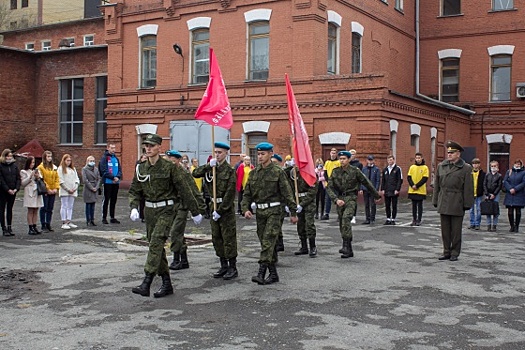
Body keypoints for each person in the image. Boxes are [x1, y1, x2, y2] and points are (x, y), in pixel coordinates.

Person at [129, 134, 204, 298]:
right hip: (149, 212)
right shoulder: (141, 168)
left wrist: (196, 211)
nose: (148, 148)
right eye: (146, 146)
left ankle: (146, 281)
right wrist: (134, 207)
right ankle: (166, 283)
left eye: (151, 145)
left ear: (159, 148)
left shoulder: (170, 167)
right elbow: (135, 190)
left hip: (166, 210)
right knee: (156, 248)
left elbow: (185, 189)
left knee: (156, 242)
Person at [241, 142, 298, 285]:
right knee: (266, 243)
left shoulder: (278, 172)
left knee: (268, 241)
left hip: (275, 211)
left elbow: (287, 193)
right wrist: (245, 209)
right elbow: (247, 194)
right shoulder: (254, 173)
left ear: (270, 154)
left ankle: (261, 273)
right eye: (258, 154)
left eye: (263, 154)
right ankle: (273, 274)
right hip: (260, 212)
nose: (260, 157)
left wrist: (293, 212)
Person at [193, 142, 239, 280]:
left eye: (220, 153)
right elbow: (195, 173)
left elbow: (230, 194)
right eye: (216, 152)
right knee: (216, 238)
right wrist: (208, 165)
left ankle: (232, 267)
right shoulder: (210, 168)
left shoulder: (230, 171)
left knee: (228, 238)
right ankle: (223, 265)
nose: (217, 155)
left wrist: (221, 210)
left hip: (225, 209)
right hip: (213, 206)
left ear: (226, 154)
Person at [326, 151, 380, 258]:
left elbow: (366, 182)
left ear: (349, 159)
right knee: (342, 222)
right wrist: (336, 199)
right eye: (340, 159)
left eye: (344, 159)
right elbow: (329, 187)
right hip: (340, 198)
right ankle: (348, 248)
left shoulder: (355, 171)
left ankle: (345, 245)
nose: (342, 161)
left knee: (346, 219)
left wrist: (376, 195)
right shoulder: (335, 171)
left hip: (351, 198)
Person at [432, 141, 474, 262]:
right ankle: (446, 251)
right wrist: (435, 200)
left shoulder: (466, 168)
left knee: (456, 231)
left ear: (458, 154)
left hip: (457, 201)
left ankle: (455, 252)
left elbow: (468, 188)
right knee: (445, 230)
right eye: (448, 152)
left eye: (452, 152)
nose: (449, 154)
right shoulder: (442, 166)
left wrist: (467, 204)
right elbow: (437, 185)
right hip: (444, 200)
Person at [165, 150, 205, 271]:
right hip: (171, 206)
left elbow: (193, 190)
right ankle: (184, 260)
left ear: (178, 161)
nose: (170, 163)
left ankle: (176, 259)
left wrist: (200, 209)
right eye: (168, 161)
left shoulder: (183, 173)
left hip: (182, 206)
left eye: (173, 161)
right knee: (178, 234)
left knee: (175, 231)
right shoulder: (168, 173)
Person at [284, 164, 318, 257]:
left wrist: (302, 204)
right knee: (300, 225)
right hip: (297, 201)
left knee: (309, 224)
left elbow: (312, 192)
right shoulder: (292, 173)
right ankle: (304, 247)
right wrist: (290, 203)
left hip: (308, 202)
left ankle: (312, 247)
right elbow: (287, 186)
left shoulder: (310, 173)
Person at [99, 144, 122, 224]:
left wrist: (118, 177)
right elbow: (103, 170)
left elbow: (119, 169)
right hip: (107, 182)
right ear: (108, 148)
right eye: (112, 148)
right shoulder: (104, 158)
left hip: (116, 183)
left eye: (114, 148)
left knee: (113, 200)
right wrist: (112, 177)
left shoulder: (115, 158)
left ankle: (112, 217)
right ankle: (104, 217)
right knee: (106, 200)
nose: (113, 149)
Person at [20, 156, 44, 235]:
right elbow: (23, 183)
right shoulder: (24, 171)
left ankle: (34, 225)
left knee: (36, 210)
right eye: (31, 163)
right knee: (30, 210)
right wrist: (30, 177)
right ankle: (30, 227)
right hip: (30, 192)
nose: (32, 164)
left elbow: (41, 180)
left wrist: (38, 177)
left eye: (33, 162)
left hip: (36, 191)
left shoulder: (37, 171)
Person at [37, 150, 59, 233]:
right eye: (48, 156)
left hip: (53, 190)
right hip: (45, 190)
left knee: (50, 208)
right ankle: (43, 224)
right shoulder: (40, 167)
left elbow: (57, 178)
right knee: (44, 208)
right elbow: (42, 180)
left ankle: (48, 223)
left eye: (50, 156)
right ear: (44, 157)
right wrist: (48, 189)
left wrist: (56, 188)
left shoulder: (54, 167)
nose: (50, 158)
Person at [0, 149, 21, 236]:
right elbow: (1, 180)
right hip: (3, 191)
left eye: (10, 156)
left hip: (13, 190)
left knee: (10, 209)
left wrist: (16, 188)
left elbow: (18, 178)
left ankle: (9, 227)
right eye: (7, 156)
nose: (9, 158)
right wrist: (7, 189)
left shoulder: (14, 166)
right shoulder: (1, 166)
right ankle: (3, 228)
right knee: (2, 210)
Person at [58, 154, 80, 230]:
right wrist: (67, 189)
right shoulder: (60, 169)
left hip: (73, 190)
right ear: (64, 161)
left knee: (70, 206)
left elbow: (77, 179)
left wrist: (75, 188)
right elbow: (60, 180)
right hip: (65, 190)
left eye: (70, 160)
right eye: (67, 160)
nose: (69, 162)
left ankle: (69, 220)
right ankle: (64, 221)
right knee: (64, 205)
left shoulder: (73, 169)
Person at [503, 159, 525, 233]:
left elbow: (523, 183)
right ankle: (512, 226)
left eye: (519, 164)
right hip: (510, 193)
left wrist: (515, 189)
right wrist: (509, 189)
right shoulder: (509, 172)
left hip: (519, 193)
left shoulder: (523, 172)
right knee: (510, 211)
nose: (517, 165)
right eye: (516, 164)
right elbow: (505, 181)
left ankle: (517, 226)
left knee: (518, 211)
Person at [407, 153, 429, 226]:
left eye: (419, 158)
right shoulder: (412, 167)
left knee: (419, 205)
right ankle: (414, 219)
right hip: (412, 190)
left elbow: (425, 178)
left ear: (422, 158)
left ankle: (419, 219)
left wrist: (417, 185)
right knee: (413, 205)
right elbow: (409, 177)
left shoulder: (425, 167)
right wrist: (412, 185)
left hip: (420, 190)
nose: (418, 159)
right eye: (416, 158)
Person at [381, 155, 403, 225]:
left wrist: (397, 189)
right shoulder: (385, 170)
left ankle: (393, 219)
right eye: (388, 160)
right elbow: (383, 180)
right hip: (387, 190)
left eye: (391, 160)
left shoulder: (397, 169)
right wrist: (382, 189)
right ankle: (388, 218)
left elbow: (400, 180)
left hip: (394, 190)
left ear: (393, 160)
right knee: (387, 205)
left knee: (394, 205)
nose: (390, 161)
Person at [359, 155, 381, 224]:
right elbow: (362, 179)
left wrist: (376, 189)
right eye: (369, 160)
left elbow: (378, 180)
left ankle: (372, 218)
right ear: (367, 160)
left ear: (373, 160)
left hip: (372, 189)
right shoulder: (364, 169)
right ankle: (367, 218)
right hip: (365, 189)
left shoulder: (376, 169)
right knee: (366, 205)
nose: (370, 161)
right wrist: (361, 188)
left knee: (373, 204)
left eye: (371, 160)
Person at [483, 160, 503, 232]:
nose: (493, 167)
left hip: (496, 195)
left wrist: (494, 194)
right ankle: (488, 225)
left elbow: (499, 186)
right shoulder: (487, 175)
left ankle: (494, 225)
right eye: (492, 166)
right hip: (488, 194)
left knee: (495, 210)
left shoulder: (499, 176)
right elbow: (484, 184)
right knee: (488, 210)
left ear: (497, 167)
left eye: (495, 166)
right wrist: (487, 194)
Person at [82, 155, 101, 227]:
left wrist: (96, 187)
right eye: (91, 161)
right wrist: (91, 187)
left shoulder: (96, 169)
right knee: (88, 205)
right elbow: (85, 180)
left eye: (93, 161)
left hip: (95, 187)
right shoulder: (84, 169)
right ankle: (88, 220)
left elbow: (99, 178)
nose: (92, 162)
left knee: (93, 205)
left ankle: (92, 219)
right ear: (87, 161)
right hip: (88, 188)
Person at [322, 148, 340, 220]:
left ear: (336, 154)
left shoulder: (338, 162)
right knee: (328, 199)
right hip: (329, 184)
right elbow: (325, 173)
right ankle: (326, 214)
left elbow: (339, 173)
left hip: (336, 184)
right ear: (330, 153)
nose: (333, 154)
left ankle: (339, 214)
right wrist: (328, 181)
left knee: (338, 199)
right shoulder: (327, 162)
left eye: (334, 153)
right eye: (332, 153)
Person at [468, 158, 486, 230]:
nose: (475, 165)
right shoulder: (470, 173)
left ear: (479, 164)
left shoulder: (483, 174)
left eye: (477, 163)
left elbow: (484, 184)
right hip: (471, 194)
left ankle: (477, 224)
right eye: (474, 164)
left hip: (479, 194)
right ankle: (472, 223)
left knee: (479, 209)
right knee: (471, 210)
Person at [349, 149, 363, 224]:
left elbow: (360, 177)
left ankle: (354, 216)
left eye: (353, 154)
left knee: (353, 202)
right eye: (350, 154)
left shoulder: (359, 164)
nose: (351, 156)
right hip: (346, 186)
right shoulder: (346, 163)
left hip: (355, 186)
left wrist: (360, 187)